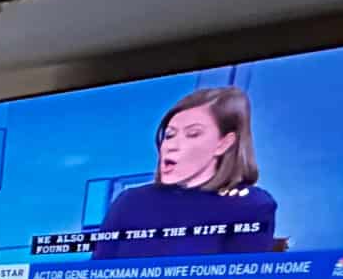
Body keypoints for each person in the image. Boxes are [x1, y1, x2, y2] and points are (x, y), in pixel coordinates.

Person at [92, 86, 277, 260]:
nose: (172, 146)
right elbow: (94, 277)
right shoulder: (129, 201)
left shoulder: (251, 204)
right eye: (170, 135)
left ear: (224, 143)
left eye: (193, 134)